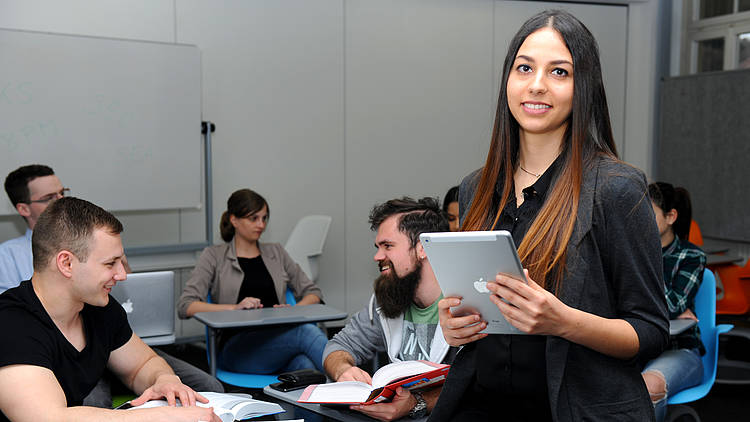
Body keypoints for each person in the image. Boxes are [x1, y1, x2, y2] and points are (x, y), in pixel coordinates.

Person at [430, 10, 668, 422]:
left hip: (577, 409)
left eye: (559, 72)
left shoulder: (615, 187)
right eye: (525, 68)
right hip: (478, 405)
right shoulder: (476, 187)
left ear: (583, 87)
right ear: (508, 78)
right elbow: (476, 307)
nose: (537, 84)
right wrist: (455, 328)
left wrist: (563, 322)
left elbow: (649, 331)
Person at [0, 164, 223, 407]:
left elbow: (142, 364)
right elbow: (50, 417)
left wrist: (164, 378)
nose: (122, 274)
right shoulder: (12, 324)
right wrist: (160, 415)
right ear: (66, 263)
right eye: (110, 263)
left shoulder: (99, 306)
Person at [323, 197, 456, 421]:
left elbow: (484, 383)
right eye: (378, 247)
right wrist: (343, 370)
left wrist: (418, 403)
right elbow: (339, 345)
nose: (377, 256)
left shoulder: (468, 303)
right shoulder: (389, 296)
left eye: (388, 246)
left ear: (423, 248)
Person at [178, 188, 327, 374]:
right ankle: (355, 386)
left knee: (306, 366)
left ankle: (342, 396)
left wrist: (294, 309)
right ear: (234, 220)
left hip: (279, 340)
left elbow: (313, 293)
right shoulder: (214, 256)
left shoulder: (276, 252)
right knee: (305, 332)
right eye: (253, 218)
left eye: (264, 218)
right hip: (236, 349)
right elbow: (186, 305)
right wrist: (234, 308)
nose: (261, 225)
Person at [642, 182, 706, 422]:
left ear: (671, 217)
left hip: (679, 349)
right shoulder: (629, 251)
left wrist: (642, 263)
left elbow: (674, 304)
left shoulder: (691, 256)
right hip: (634, 345)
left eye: (648, 211)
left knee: (648, 388)